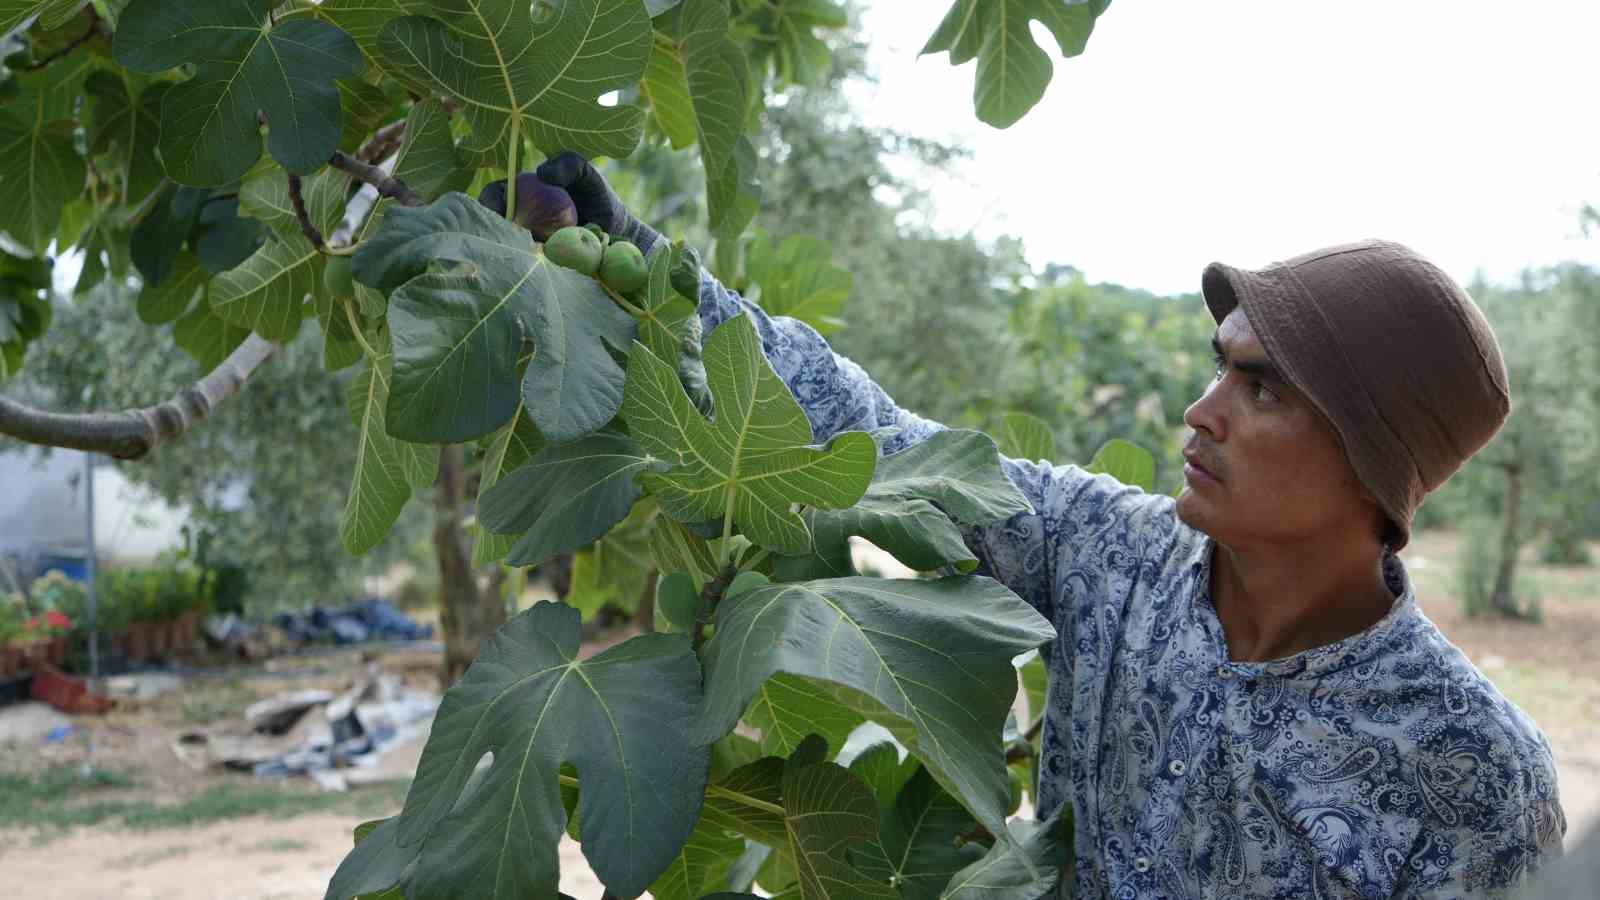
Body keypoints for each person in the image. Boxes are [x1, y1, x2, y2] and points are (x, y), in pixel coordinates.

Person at [532, 152, 1567, 898]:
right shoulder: (1103, 549)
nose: (1200, 411)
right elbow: (878, 441)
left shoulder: (1473, 774)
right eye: (1219, 366)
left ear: (1369, 455)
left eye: (1258, 388)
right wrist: (642, 267)